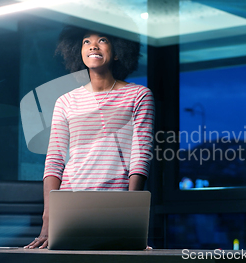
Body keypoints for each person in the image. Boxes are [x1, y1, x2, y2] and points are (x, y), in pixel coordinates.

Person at [25, 26, 155, 249]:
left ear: (117, 52)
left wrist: (133, 213)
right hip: (70, 204)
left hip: (116, 204)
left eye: (102, 40)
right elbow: (55, 160)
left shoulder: (139, 96)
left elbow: (140, 155)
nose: (93, 45)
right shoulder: (65, 101)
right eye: (86, 41)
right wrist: (48, 219)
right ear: (78, 50)